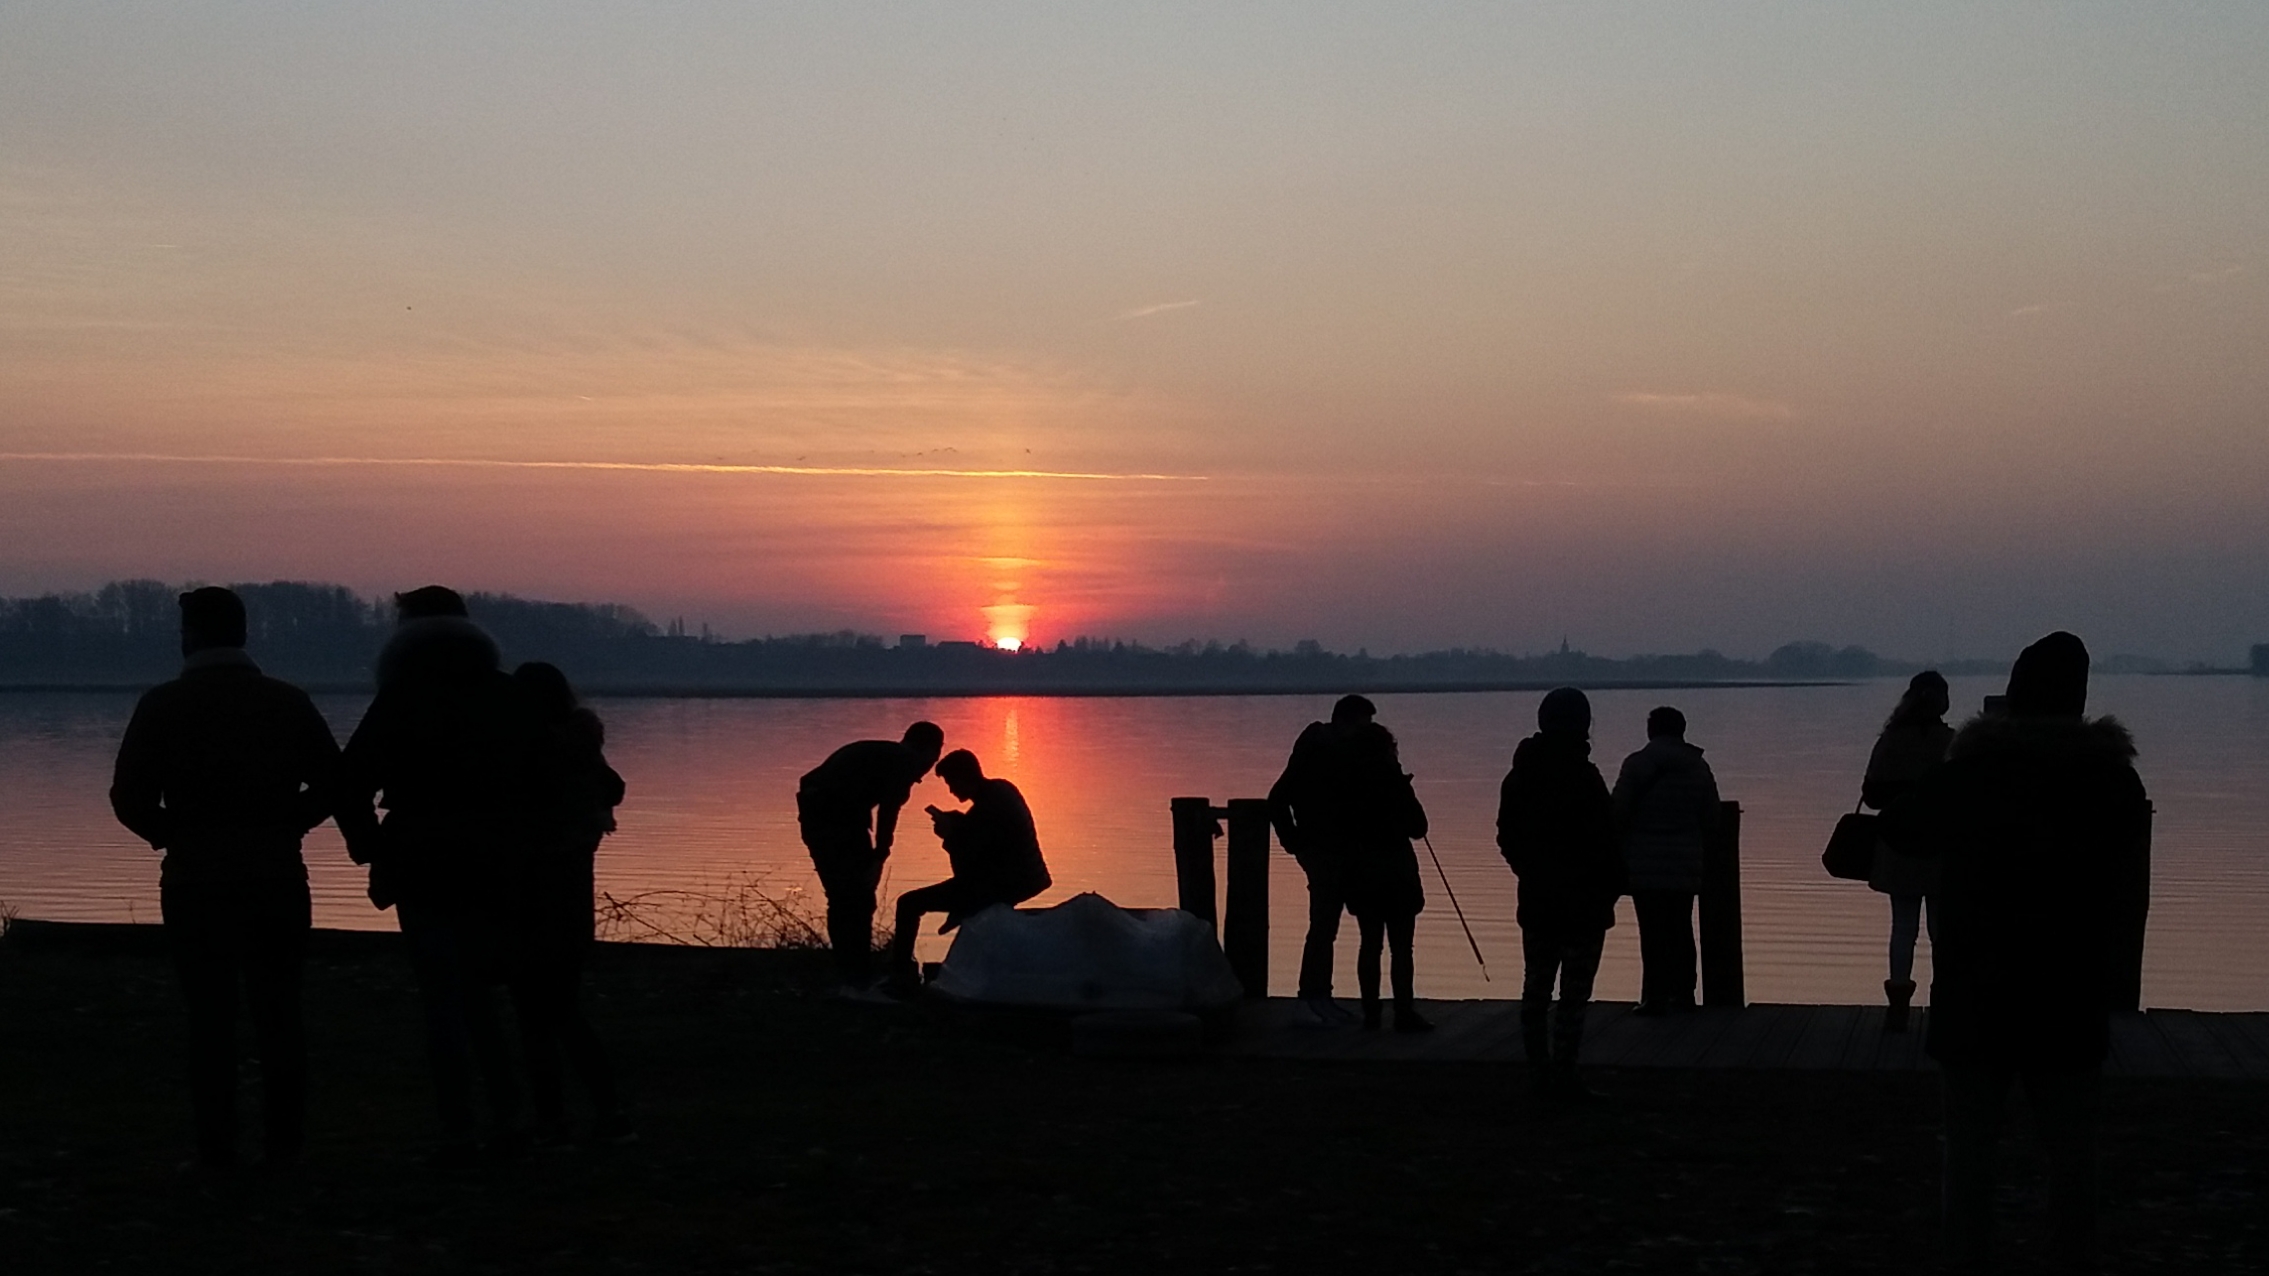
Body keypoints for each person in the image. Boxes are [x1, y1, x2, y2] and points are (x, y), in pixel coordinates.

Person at [1886, 632, 2150, 1272]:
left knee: (1970, 1152)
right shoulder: (2110, 779)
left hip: (1976, 992)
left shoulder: (1972, 773)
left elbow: (1905, 828)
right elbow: (2127, 877)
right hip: (2069, 989)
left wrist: (1960, 753)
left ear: (2013, 695)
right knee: (2071, 1153)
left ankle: (1967, 1258)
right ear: (2081, 700)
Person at [109, 587, 345, 1169]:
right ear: (244, 635)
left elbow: (128, 797)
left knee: (209, 1017)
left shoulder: (161, 704)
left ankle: (217, 1146)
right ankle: (285, 1145)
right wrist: (292, 823)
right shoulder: (287, 702)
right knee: (280, 1013)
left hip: (194, 881)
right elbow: (335, 782)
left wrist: (169, 834)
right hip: (275, 876)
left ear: (188, 637)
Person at [339, 585, 533, 1159]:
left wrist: (368, 843)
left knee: (441, 995)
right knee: (488, 990)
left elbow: (350, 781)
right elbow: (539, 779)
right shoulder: (506, 695)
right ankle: (509, 1112)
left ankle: (459, 1122)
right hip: (496, 860)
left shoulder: (400, 698)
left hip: (420, 858)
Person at [508, 661, 628, 1143]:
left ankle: (564, 1114)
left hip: (530, 894)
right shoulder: (586, 757)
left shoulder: (531, 755)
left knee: (541, 1011)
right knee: (559, 1007)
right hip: (572, 898)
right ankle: (595, 1112)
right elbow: (611, 791)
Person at [1498, 687, 1622, 1098]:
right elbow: (1607, 838)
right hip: (1583, 903)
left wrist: (1529, 871)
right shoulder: (1585, 776)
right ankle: (1563, 1074)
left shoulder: (1520, 776)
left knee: (1536, 988)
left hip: (1538, 900)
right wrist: (1609, 886)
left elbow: (1507, 836)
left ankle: (1539, 1074)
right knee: (1573, 994)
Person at [796, 721, 945, 994]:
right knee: (857, 897)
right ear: (928, 750)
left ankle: (851, 973)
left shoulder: (886, 754)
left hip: (820, 815)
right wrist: (880, 856)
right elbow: (888, 812)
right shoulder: (904, 762)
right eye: (934, 757)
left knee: (844, 898)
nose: (929, 766)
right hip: (834, 820)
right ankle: (857, 977)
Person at [885, 749, 1052, 991]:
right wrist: (960, 825)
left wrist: (949, 836)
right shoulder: (1001, 790)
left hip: (1005, 882)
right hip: (1027, 877)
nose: (951, 790)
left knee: (909, 904)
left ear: (964, 778)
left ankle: (901, 975)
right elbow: (982, 841)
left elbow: (967, 869)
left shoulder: (986, 809)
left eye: (952, 783)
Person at [1266, 694, 1376, 1025]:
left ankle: (1321, 995)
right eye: (1362, 726)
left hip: (1341, 850)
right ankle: (1311, 996)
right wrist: (1296, 844)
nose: (1365, 733)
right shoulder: (1314, 751)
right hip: (1320, 850)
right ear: (1345, 721)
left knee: (1330, 925)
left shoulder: (1348, 753)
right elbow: (1277, 799)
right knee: (1323, 925)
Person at [1611, 706, 1721, 1015]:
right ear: (1682, 731)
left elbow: (1617, 813)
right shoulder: (1699, 767)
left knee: (1652, 931)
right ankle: (1685, 995)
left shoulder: (1636, 765)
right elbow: (1712, 817)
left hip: (1644, 864)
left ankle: (1655, 997)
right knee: (1682, 930)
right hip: (1685, 863)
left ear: (1651, 731)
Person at [1863, 670, 1954, 1031]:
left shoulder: (1890, 741)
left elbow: (1871, 796)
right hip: (1941, 843)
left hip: (1899, 844)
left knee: (1902, 927)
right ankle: (1944, 1002)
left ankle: (1898, 1005)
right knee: (1941, 929)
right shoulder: (1952, 741)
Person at [1337, 720, 1433, 1032]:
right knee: (1402, 948)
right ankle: (1404, 1013)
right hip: (1397, 874)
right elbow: (1419, 827)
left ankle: (1371, 1014)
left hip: (1363, 875)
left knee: (1370, 944)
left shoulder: (1348, 785)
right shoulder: (1394, 781)